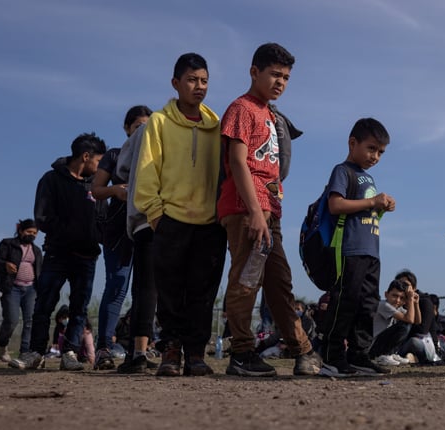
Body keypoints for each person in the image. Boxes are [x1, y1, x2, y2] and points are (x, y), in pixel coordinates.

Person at [218, 42, 321, 377]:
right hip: (247, 209)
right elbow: (237, 161)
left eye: (286, 77)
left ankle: (303, 351)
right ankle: (242, 354)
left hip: (269, 211)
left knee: (279, 282)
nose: (280, 82)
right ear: (254, 72)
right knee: (247, 281)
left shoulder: (270, 115)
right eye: (275, 74)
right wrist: (254, 211)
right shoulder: (241, 108)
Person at [133, 53, 227, 377]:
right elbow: (146, 173)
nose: (198, 87)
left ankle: (197, 354)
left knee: (203, 293)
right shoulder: (158, 122)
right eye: (191, 80)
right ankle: (170, 352)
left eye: (203, 81)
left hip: (210, 224)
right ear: (176, 83)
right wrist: (157, 215)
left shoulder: (217, 127)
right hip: (170, 220)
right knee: (170, 292)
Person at [9, 133, 107, 371]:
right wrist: (72, 234)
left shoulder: (97, 185)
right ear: (86, 156)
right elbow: (43, 218)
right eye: (99, 162)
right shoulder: (51, 180)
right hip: (57, 254)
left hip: (87, 257)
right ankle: (35, 353)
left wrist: (96, 237)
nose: (100, 168)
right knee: (44, 303)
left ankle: (70, 353)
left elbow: (102, 219)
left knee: (79, 307)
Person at [318, 118, 396, 377]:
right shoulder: (343, 171)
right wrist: (372, 201)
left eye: (381, 152)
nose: (376, 156)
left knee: (368, 304)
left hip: (371, 251)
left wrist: (380, 206)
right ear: (353, 143)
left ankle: (359, 355)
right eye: (371, 148)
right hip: (348, 250)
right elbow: (336, 205)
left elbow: (367, 209)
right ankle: (332, 356)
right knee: (345, 302)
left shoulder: (368, 177)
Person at [90, 105, 153, 370]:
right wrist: (115, 190)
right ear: (127, 128)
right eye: (138, 126)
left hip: (146, 227)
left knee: (146, 289)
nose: (143, 130)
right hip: (118, 230)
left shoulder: (155, 156)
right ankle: (103, 348)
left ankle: (139, 352)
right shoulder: (115, 155)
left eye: (148, 126)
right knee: (117, 285)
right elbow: (96, 190)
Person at [0, 219, 42, 363]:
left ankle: (24, 352)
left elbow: (40, 270)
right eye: (28, 232)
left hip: (31, 289)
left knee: (30, 321)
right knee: (11, 320)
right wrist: (5, 265)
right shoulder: (8, 244)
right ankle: (2, 345)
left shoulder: (37, 251)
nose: (31, 235)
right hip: (11, 288)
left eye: (34, 233)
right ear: (20, 231)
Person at [369, 279, 416, 364]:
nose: (397, 300)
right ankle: (384, 355)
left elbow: (416, 321)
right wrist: (410, 299)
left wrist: (415, 303)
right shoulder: (384, 305)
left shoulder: (398, 308)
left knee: (407, 324)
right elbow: (410, 319)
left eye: (402, 298)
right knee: (404, 326)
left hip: (379, 343)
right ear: (386, 295)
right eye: (394, 296)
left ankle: (391, 353)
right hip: (373, 346)